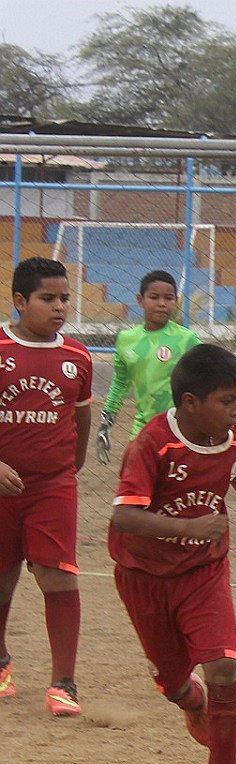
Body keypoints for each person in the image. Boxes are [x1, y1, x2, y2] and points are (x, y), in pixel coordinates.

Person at [109, 343, 236, 764]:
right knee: (175, 682)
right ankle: (188, 697)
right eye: (227, 400)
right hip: (143, 576)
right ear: (191, 403)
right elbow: (124, 518)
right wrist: (188, 527)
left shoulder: (229, 436)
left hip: (204, 571)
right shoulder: (152, 444)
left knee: (224, 667)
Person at [0, 257, 93, 716]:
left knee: (57, 576)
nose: (59, 307)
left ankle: (64, 683)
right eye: (47, 298)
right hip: (1, 488)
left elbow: (80, 418)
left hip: (52, 487)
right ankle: (0, 661)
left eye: (64, 299)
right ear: (19, 301)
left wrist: (64, 474)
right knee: (2, 578)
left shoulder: (77, 357)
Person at [97, 269, 201, 462]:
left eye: (168, 298)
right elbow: (120, 384)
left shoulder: (188, 340)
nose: (162, 303)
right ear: (140, 300)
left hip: (181, 430)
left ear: (175, 302)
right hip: (144, 429)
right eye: (154, 297)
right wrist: (105, 423)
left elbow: (208, 381)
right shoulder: (126, 340)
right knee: (132, 483)